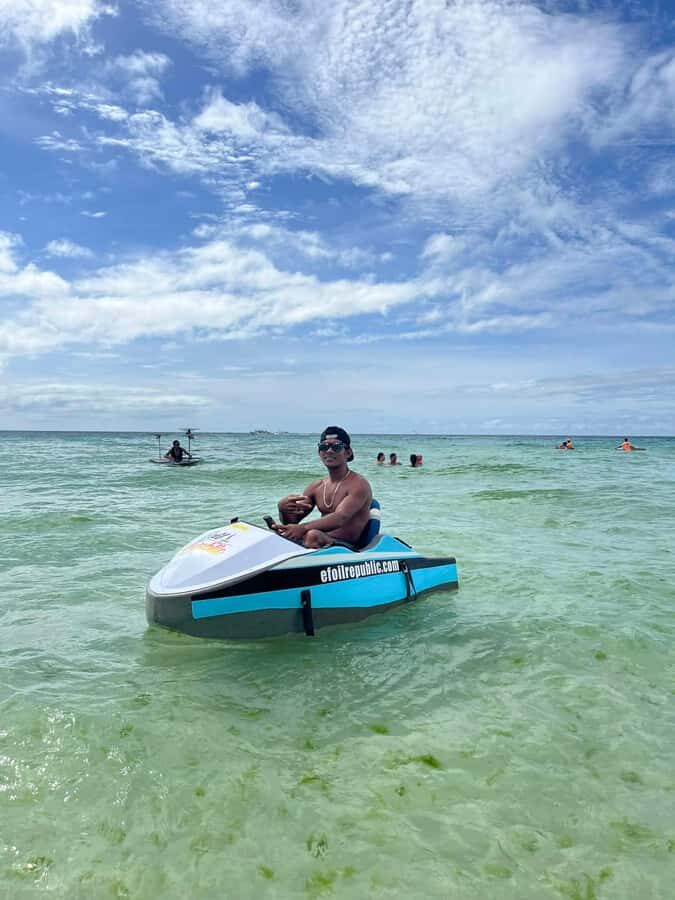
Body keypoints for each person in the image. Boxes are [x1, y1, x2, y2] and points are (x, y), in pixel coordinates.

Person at [272, 427, 373, 548]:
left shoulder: (358, 484)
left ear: (348, 452)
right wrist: (283, 509)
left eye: (336, 447)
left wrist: (303, 528)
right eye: (324, 447)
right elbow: (292, 524)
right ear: (319, 452)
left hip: (348, 547)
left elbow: (340, 518)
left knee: (312, 535)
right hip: (321, 542)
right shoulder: (316, 486)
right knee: (275, 535)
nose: (329, 451)